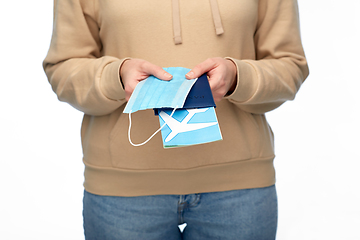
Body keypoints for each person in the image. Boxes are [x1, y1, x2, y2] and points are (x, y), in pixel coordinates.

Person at [43, 0, 309, 239]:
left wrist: (238, 77)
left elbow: (290, 65)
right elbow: (64, 67)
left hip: (239, 188)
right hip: (123, 191)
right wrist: (116, 76)